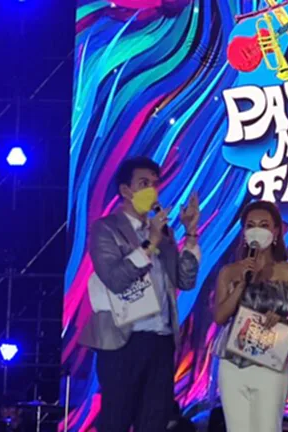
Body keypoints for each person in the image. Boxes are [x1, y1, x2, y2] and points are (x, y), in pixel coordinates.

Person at [80, 156, 201, 432]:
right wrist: (150, 243)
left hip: (161, 339)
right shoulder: (106, 228)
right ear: (125, 190)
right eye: (143, 183)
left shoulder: (163, 232)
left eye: (155, 184)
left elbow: (185, 280)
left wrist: (191, 234)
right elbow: (115, 279)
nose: (152, 190)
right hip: (124, 338)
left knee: (154, 421)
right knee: (116, 419)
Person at [212, 201, 288, 432]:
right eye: (250, 225)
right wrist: (241, 284)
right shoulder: (230, 272)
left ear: (275, 232)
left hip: (271, 359)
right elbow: (220, 317)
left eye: (264, 225)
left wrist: (283, 321)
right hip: (233, 362)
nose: (257, 230)